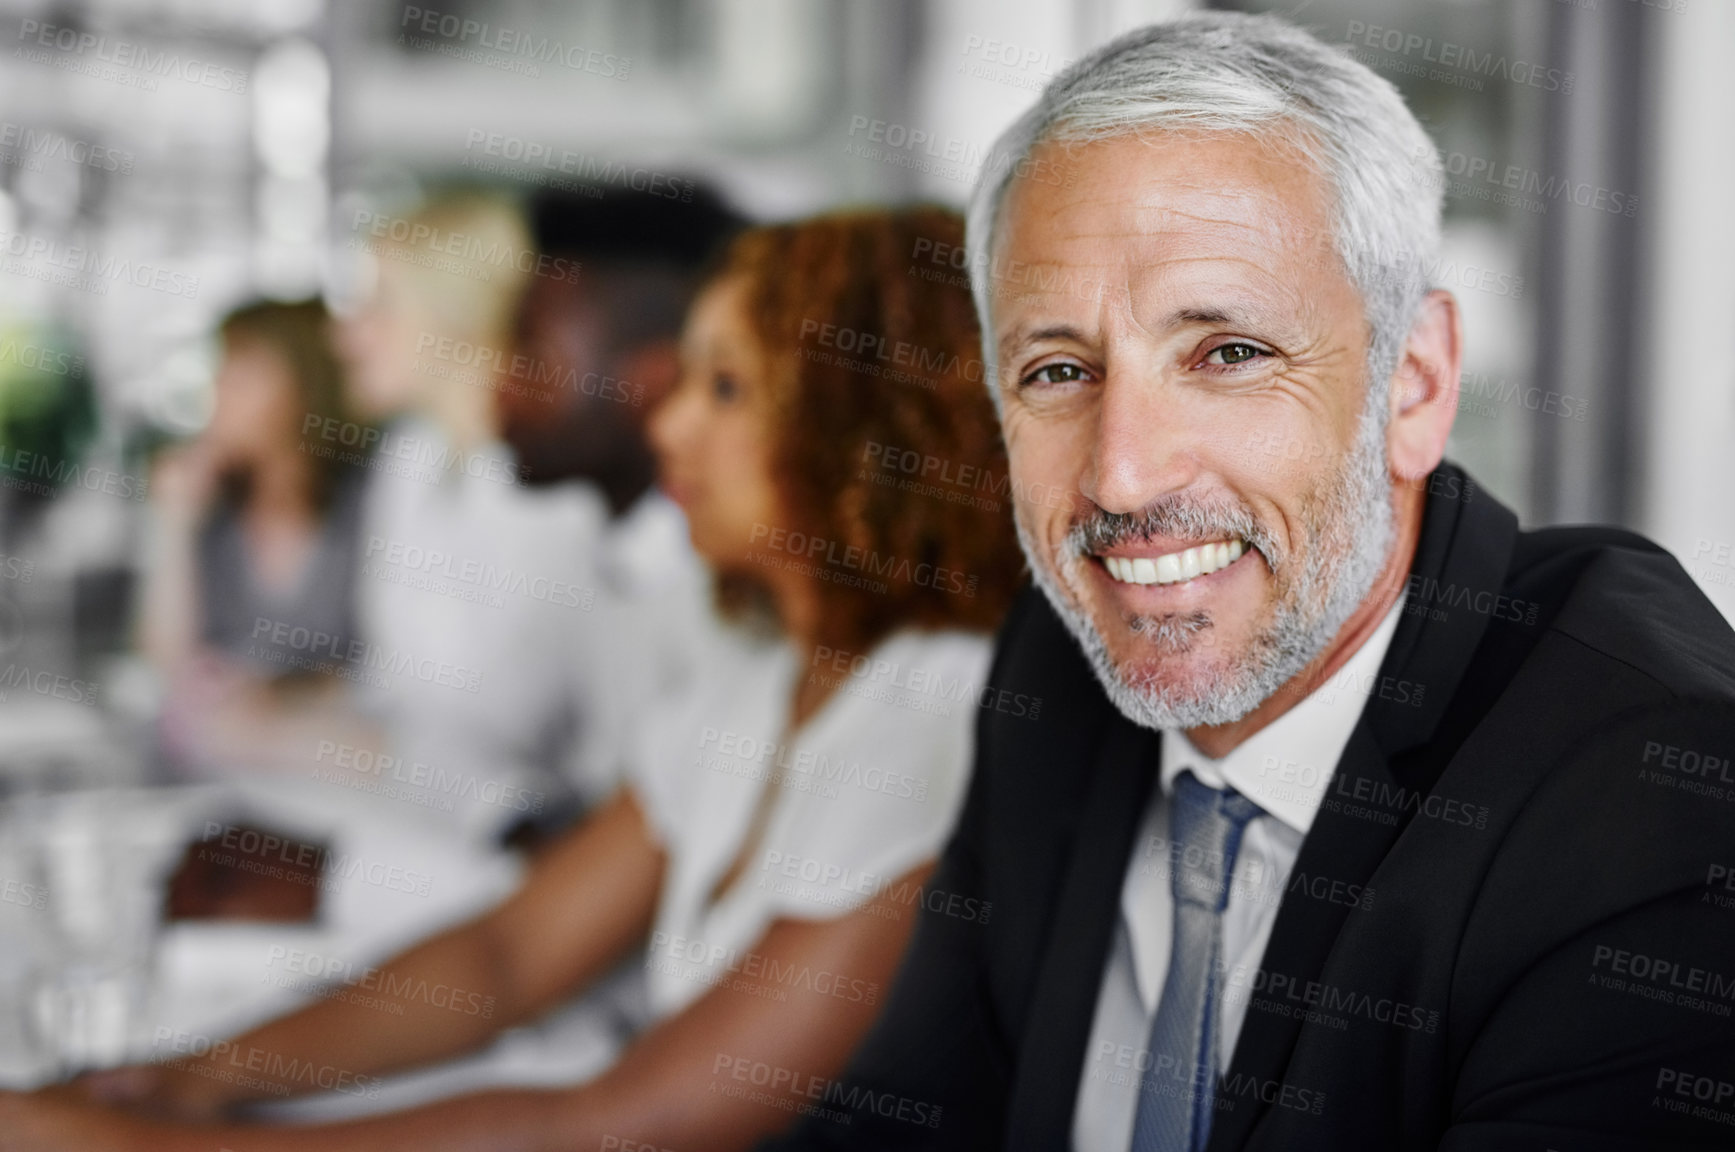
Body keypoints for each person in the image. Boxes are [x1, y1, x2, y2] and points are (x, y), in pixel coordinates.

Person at [757, 13, 1735, 1152]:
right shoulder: (1057, 664)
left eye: (1227, 354)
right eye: (1058, 370)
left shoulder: (1661, 795)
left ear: (1412, 386)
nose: (1120, 474)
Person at [0, 206, 1024, 1151]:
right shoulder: (765, 690)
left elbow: (624, 1123)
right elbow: (505, 954)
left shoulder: (932, 722)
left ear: (861, 431)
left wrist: (132, 1142)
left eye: (722, 388)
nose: (664, 423)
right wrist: (189, 1079)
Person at [328, 190, 609, 837]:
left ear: (454, 314)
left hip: (534, 842)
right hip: (424, 821)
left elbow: (510, 718)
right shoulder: (409, 459)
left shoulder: (553, 483)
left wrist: (350, 738)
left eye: (379, 306)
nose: (346, 335)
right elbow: (391, 684)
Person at [500, 184, 746, 818]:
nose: (499, 384)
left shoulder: (722, 592)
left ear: (649, 379)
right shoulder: (621, 551)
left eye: (531, 355)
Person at [140, 299, 368, 777]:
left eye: (240, 372)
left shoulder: (367, 508)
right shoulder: (214, 518)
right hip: (229, 776)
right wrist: (172, 524)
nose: (218, 390)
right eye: (220, 371)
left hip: (333, 766)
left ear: (304, 387)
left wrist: (285, 693)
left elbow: (390, 668)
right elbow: (167, 664)